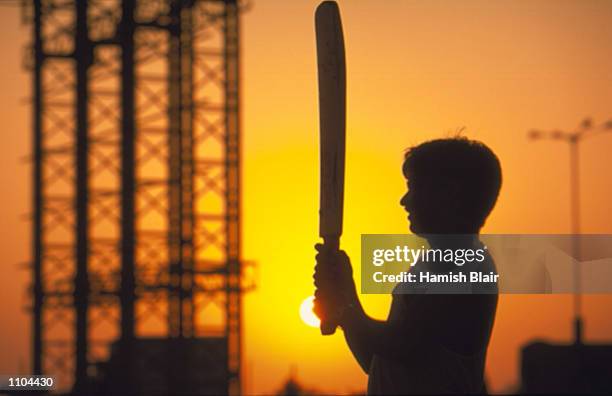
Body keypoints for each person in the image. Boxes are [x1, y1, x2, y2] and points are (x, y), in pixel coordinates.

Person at [314, 137, 502, 394]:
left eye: (414, 188)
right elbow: (376, 360)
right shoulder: (430, 267)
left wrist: (343, 311)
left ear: (450, 194)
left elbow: (404, 344)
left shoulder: (467, 266)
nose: (404, 200)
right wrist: (347, 293)